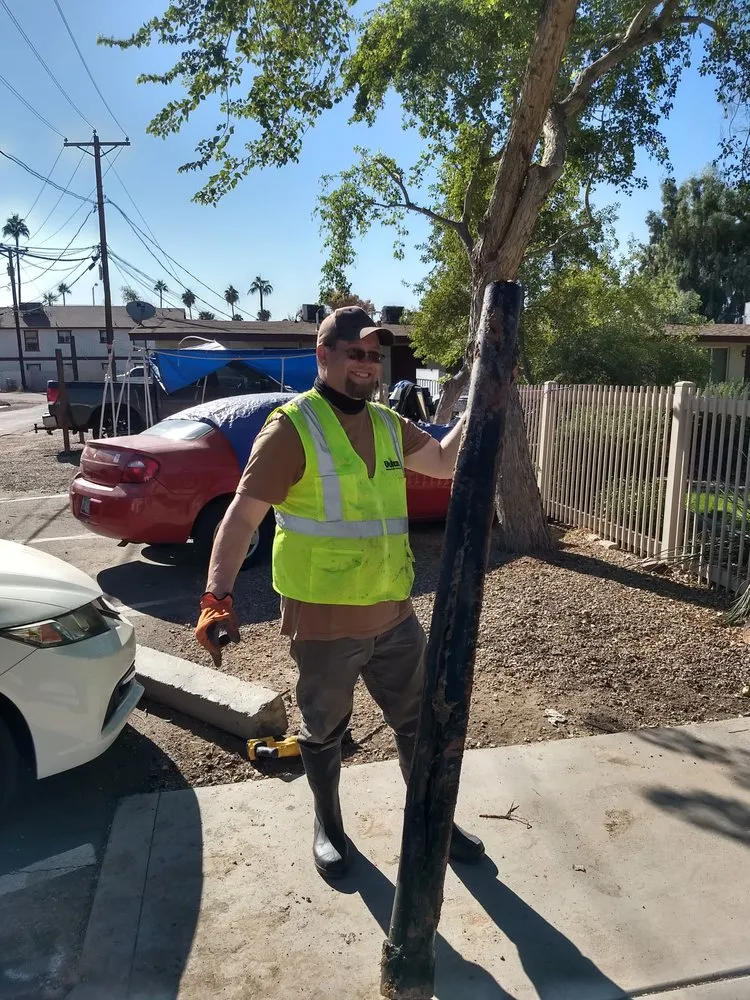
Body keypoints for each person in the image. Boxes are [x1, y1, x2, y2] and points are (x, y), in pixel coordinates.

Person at [195, 306, 484, 878]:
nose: (367, 363)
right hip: (324, 620)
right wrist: (216, 596)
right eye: (355, 352)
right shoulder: (291, 428)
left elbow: (444, 462)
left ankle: (433, 820)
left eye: (374, 355)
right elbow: (242, 517)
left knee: (419, 722)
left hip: (394, 613)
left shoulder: (387, 423)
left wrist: (483, 393)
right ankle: (328, 823)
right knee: (324, 728)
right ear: (323, 355)